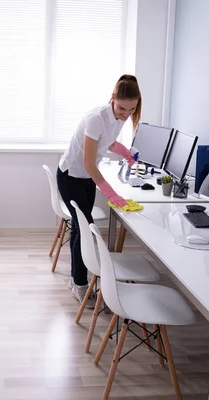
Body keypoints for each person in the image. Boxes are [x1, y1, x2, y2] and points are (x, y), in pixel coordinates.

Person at [57, 74, 142, 307]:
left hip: (86, 179)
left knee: (83, 227)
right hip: (71, 177)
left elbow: (108, 142)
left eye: (132, 109)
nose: (126, 114)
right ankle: (80, 284)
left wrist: (124, 152)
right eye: (122, 108)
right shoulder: (96, 118)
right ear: (112, 98)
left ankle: (77, 279)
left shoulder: (119, 116)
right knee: (84, 229)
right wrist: (111, 194)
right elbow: (88, 163)